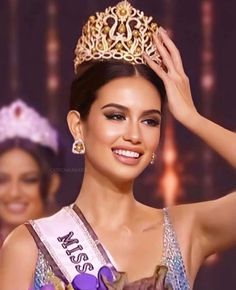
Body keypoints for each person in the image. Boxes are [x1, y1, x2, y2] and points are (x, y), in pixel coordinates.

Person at [0, 1, 235, 290]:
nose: (134, 135)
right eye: (116, 116)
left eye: (150, 121)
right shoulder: (27, 247)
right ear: (78, 126)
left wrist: (193, 118)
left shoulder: (186, 230)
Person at [0, 99, 61, 247]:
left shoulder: (73, 248)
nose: (14, 193)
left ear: (52, 183)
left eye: (29, 180)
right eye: (2, 180)